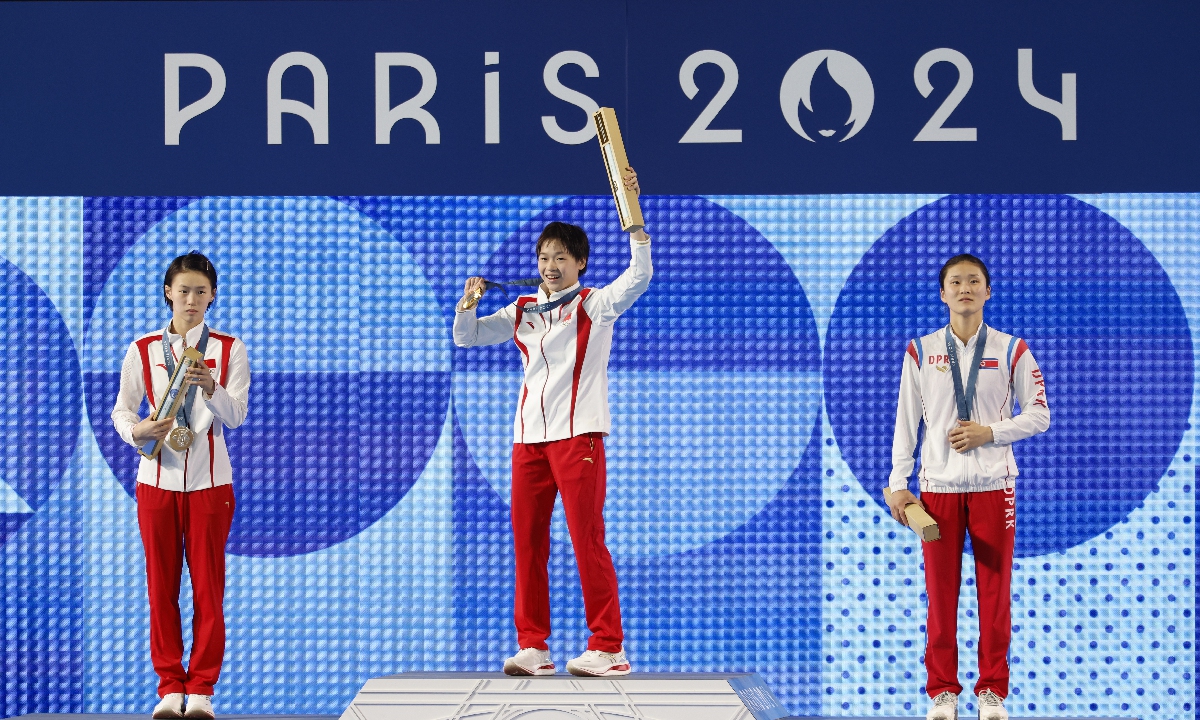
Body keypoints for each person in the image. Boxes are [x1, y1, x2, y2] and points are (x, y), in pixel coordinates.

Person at [453, 169, 650, 677]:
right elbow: (467, 338)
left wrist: (636, 228)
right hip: (528, 442)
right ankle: (534, 646)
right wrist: (468, 303)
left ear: (580, 262)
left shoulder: (595, 305)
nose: (550, 266)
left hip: (578, 436)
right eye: (544, 258)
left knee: (587, 538)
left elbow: (639, 277)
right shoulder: (523, 308)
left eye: (561, 257)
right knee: (528, 542)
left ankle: (609, 647)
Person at [886, 254, 1049, 720]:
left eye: (974, 281)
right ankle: (943, 692)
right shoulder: (920, 350)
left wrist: (990, 433)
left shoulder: (1012, 349)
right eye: (955, 282)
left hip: (994, 487)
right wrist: (899, 483)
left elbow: (1040, 414)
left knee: (995, 595)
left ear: (988, 291)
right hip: (936, 490)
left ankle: (991, 691)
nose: (965, 289)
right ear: (942, 293)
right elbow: (905, 424)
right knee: (941, 595)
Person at [111, 252, 250, 719]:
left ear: (213, 296)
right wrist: (138, 432)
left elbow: (237, 416)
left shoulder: (229, 348)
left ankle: (203, 691)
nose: (192, 300)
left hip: (212, 482)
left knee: (209, 589)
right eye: (183, 290)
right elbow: (122, 411)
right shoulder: (143, 348)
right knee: (161, 586)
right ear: (168, 292)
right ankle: (170, 687)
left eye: (201, 291)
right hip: (156, 480)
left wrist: (211, 387)